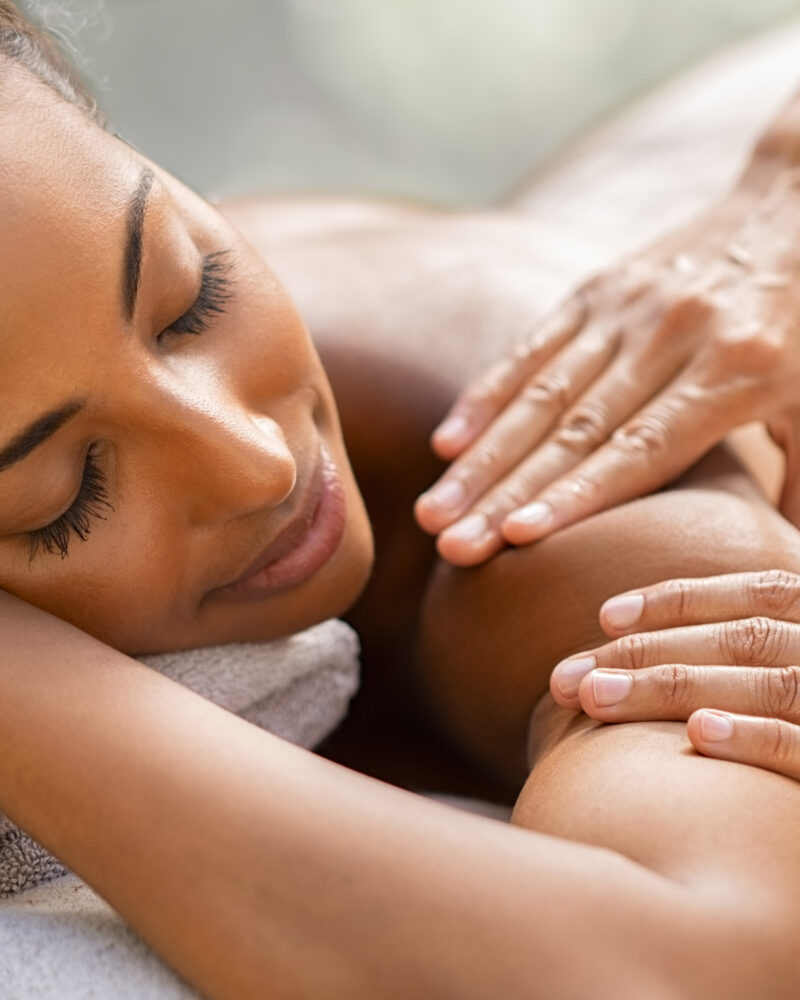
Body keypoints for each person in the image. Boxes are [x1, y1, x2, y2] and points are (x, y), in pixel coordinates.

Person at [1, 3, 800, 997]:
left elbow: (686, 971)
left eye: (192, 299)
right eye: (65, 495)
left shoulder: (584, 513)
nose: (257, 464)